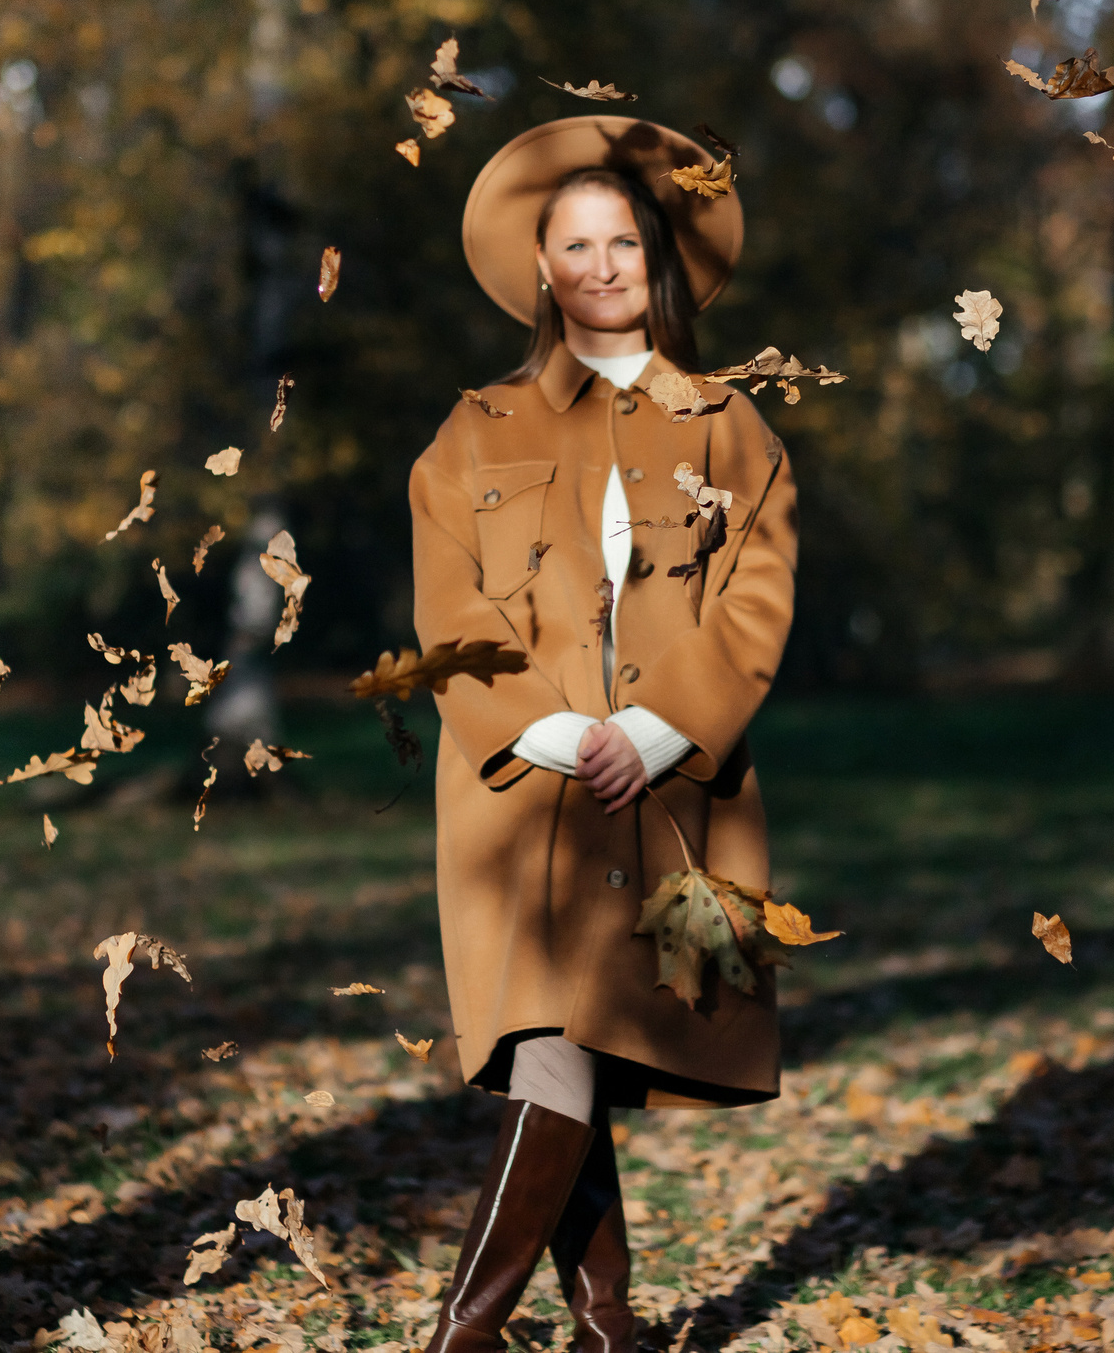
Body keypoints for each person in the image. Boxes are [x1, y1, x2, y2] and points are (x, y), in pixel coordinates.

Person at [410, 118, 799, 1353]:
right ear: (538, 266)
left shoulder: (733, 427)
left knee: (570, 1055)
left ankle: (589, 1332)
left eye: (620, 241)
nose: (599, 265)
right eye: (572, 244)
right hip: (519, 797)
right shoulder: (473, 429)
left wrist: (652, 726)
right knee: (552, 1050)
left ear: (657, 256)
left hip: (672, 795)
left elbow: (756, 600)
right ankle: (532, 1334)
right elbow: (450, 613)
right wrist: (561, 731)